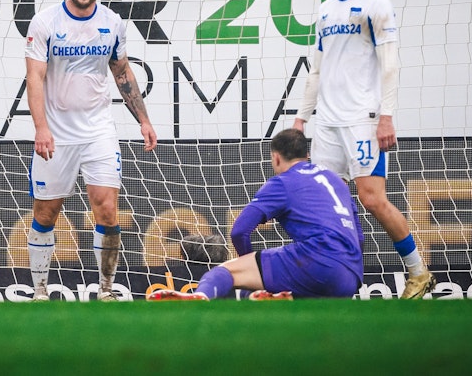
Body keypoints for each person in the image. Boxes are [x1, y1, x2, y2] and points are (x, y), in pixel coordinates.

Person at [292, 0, 435, 299]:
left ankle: (418, 271)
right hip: (326, 122)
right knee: (327, 203)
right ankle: (338, 280)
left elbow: (390, 65)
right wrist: (300, 119)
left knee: (371, 199)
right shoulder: (325, 10)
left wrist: (385, 117)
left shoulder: (375, 3)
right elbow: (316, 71)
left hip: (362, 120)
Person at [24, 0, 158, 302]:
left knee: (108, 210)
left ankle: (106, 290)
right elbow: (34, 78)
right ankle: (39, 291)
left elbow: (122, 72)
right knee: (45, 213)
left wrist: (143, 120)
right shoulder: (45, 23)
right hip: (56, 133)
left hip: (98, 132)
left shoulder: (112, 23)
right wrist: (41, 127)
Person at [148, 128, 363, 300]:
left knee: (224, 273)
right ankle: (281, 297)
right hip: (351, 276)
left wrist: (248, 264)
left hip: (316, 262)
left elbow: (239, 231)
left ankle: (201, 296)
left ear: (276, 158)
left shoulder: (283, 182)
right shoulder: (336, 180)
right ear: (307, 156)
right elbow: (360, 237)